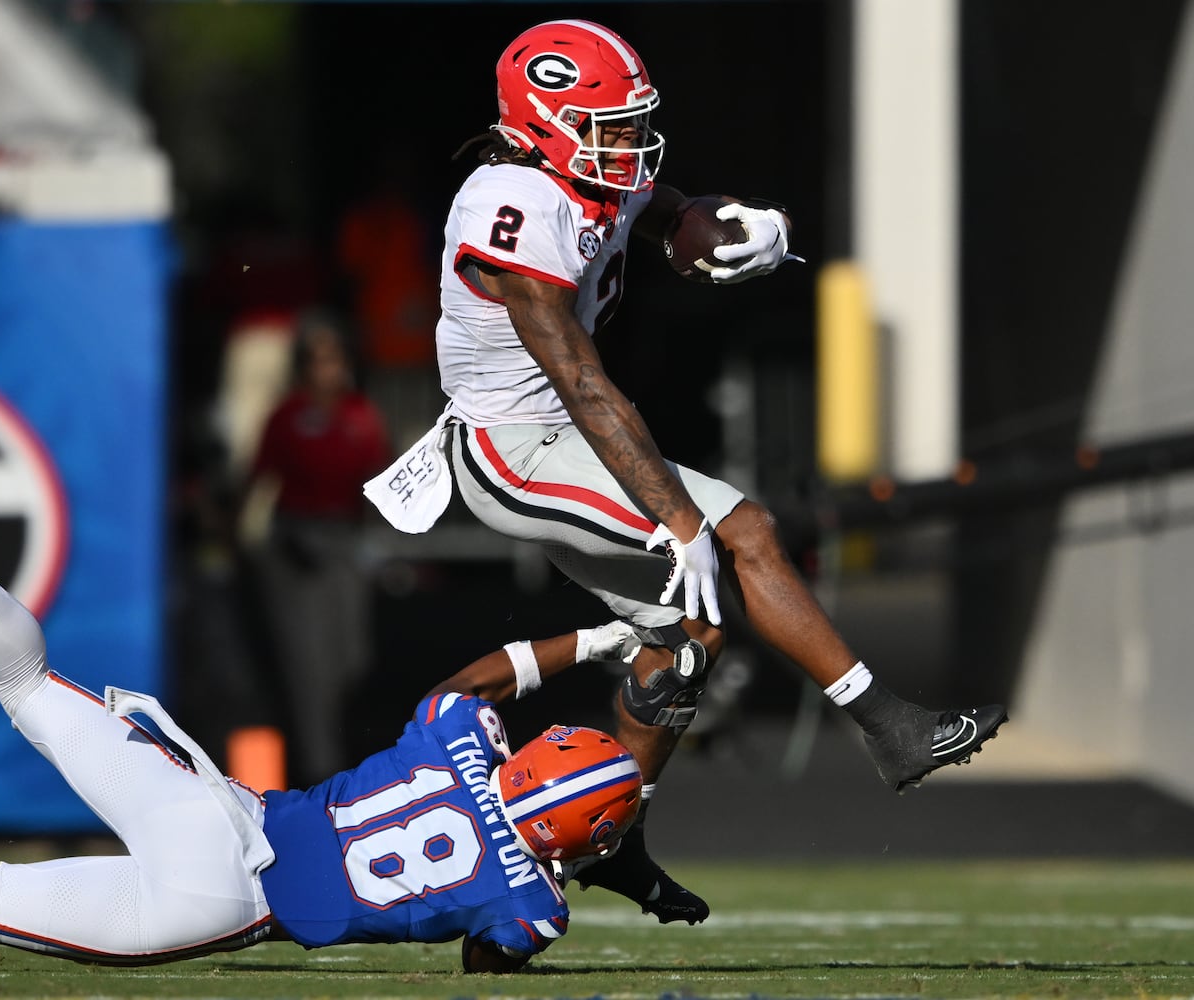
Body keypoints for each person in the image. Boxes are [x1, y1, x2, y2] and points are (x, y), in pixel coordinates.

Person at [365, 18, 1006, 924]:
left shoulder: (586, 172)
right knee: (742, 531)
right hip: (514, 447)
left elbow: (664, 209)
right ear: (541, 124)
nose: (627, 145)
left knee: (688, 643)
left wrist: (744, 229)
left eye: (631, 125)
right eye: (608, 128)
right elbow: (583, 381)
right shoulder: (510, 200)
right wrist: (678, 521)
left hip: (568, 435)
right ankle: (890, 725)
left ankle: (615, 840)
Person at [0, 468, 645, 973]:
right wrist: (551, 867)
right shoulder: (534, 909)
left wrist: (598, 639)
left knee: (25, 680)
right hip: (224, 901)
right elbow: (486, 958)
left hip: (217, 807)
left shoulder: (460, 739)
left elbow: (473, 682)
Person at [241, 309, 390, 784]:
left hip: (346, 542)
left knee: (353, 657)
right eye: (318, 360)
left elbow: (380, 482)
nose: (329, 369)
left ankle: (345, 759)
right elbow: (257, 481)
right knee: (309, 667)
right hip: (296, 543)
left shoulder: (360, 415)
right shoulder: (285, 416)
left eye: (336, 358)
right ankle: (321, 773)